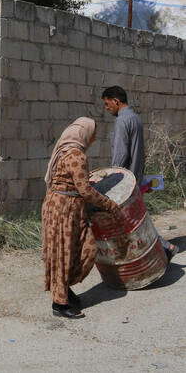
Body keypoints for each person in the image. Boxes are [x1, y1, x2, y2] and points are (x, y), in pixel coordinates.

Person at [42, 118, 124, 319]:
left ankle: (64, 291)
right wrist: (111, 205)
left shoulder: (64, 150)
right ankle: (59, 304)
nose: (94, 137)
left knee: (77, 250)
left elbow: (72, 181)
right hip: (64, 210)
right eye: (93, 133)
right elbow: (85, 192)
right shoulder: (76, 155)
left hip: (64, 207)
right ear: (84, 133)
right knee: (66, 253)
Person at [102, 86, 179, 260]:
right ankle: (163, 248)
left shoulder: (122, 121)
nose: (106, 108)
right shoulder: (134, 118)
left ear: (116, 101)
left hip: (123, 181)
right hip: (134, 176)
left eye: (107, 104)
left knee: (130, 221)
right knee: (133, 219)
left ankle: (165, 247)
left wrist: (112, 177)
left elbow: (121, 153)